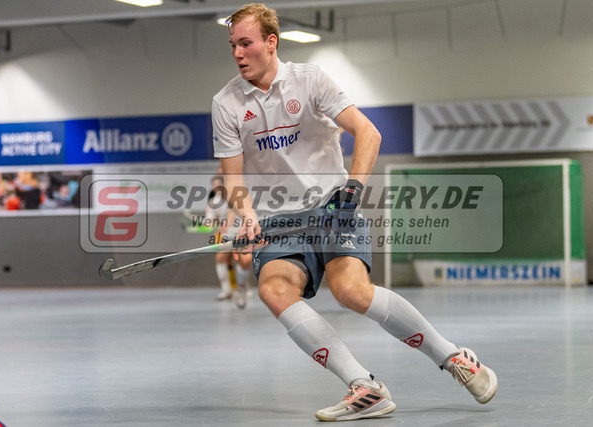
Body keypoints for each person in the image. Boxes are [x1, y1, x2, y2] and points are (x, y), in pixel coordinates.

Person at [212, 3, 497, 421]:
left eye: (246, 43)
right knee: (274, 290)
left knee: (351, 291)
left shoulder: (310, 80)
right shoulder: (226, 102)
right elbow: (233, 178)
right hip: (279, 219)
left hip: (332, 208)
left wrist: (353, 190)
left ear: (271, 42)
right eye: (233, 45)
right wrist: (248, 219)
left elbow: (368, 132)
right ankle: (364, 386)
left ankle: (453, 357)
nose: (238, 53)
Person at [205, 173, 253, 308]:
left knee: (244, 260)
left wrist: (226, 225)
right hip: (224, 234)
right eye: (214, 185)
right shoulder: (212, 202)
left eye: (218, 185)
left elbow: (232, 214)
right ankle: (226, 290)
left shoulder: (232, 196)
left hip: (239, 231)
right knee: (220, 258)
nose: (216, 187)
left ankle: (244, 287)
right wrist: (212, 224)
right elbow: (210, 220)